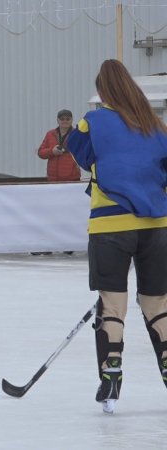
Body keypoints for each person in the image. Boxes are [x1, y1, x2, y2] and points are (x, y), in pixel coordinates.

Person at [66, 59, 167, 414]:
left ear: (103, 91)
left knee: (113, 304)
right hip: (156, 226)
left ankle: (112, 374)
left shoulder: (91, 121)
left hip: (110, 225)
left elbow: (79, 151)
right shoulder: (157, 126)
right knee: (157, 304)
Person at [37, 109, 80, 182]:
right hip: (52, 178)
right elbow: (40, 153)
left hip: (72, 178)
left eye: (68, 119)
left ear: (72, 120)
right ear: (57, 120)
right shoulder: (50, 134)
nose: (65, 121)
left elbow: (84, 153)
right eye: (62, 119)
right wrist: (52, 151)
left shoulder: (77, 134)